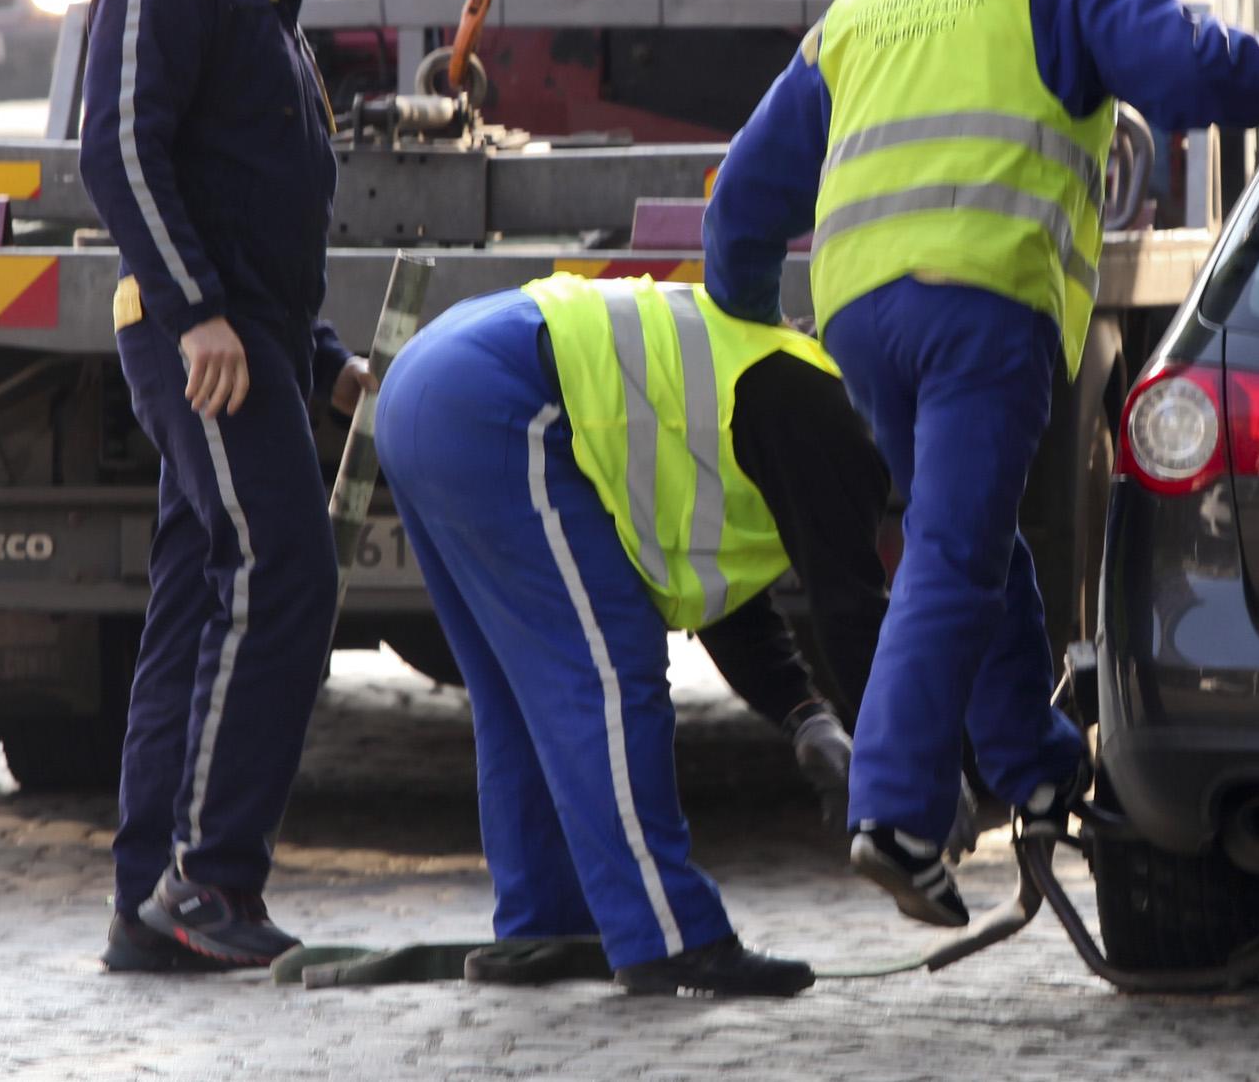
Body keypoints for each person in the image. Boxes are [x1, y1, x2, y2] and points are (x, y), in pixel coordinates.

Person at [702, 0, 1259, 924]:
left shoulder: (861, 11)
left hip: (859, 319)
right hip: (983, 298)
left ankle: (1033, 765)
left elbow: (742, 206)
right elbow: (1188, 75)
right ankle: (894, 814)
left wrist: (752, 337)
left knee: (973, 534)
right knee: (955, 547)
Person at [370, 274, 891, 997]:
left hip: (431, 381)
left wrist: (805, 715)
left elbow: (724, 600)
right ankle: (671, 937)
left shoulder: (768, 372)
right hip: (500, 397)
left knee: (520, 698)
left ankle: (544, 925)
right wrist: (905, 760)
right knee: (609, 684)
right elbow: (850, 605)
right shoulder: (828, 416)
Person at [78, 0, 375, 973]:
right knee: (282, 571)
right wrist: (197, 310)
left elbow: (256, 217)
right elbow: (119, 150)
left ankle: (153, 902)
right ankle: (206, 885)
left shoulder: (253, 2)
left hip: (242, 341)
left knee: (201, 599)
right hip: (199, 344)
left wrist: (322, 359)